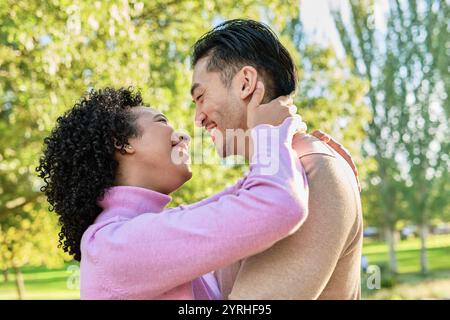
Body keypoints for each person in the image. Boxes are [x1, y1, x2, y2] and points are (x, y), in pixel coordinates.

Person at [36, 86, 309, 299]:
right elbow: (279, 204)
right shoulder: (113, 244)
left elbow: (242, 197)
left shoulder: (133, 233)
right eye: (161, 121)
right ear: (122, 143)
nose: (184, 136)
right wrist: (269, 133)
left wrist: (310, 151)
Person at [191, 19, 363, 299]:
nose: (198, 118)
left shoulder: (310, 171)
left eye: (201, 97)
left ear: (245, 83)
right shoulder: (277, 177)